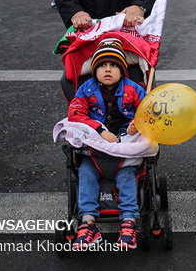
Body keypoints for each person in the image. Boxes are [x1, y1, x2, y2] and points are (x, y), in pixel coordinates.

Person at [68, 38, 147, 250]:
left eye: (114, 65)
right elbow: (75, 114)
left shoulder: (134, 89)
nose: (108, 69)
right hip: (96, 147)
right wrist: (100, 129)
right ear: (95, 70)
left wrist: (136, 124)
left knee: (126, 175)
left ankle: (129, 221)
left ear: (122, 71)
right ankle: (88, 223)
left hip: (124, 146)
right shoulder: (86, 89)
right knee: (85, 172)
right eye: (102, 65)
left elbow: (148, 110)